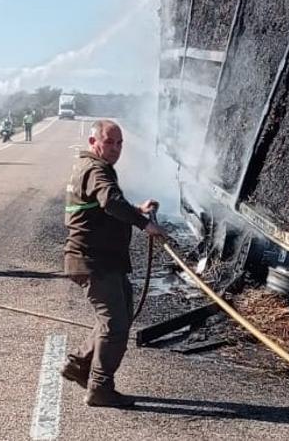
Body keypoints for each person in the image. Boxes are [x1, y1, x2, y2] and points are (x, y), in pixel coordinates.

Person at [60, 120, 166, 408]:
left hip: (104, 260)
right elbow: (108, 201)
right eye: (110, 143)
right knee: (116, 325)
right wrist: (145, 224)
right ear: (94, 142)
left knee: (121, 315)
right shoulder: (96, 169)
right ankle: (99, 388)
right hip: (93, 260)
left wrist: (135, 210)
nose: (116, 149)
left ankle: (80, 363)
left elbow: (105, 205)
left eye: (120, 143)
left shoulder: (94, 168)